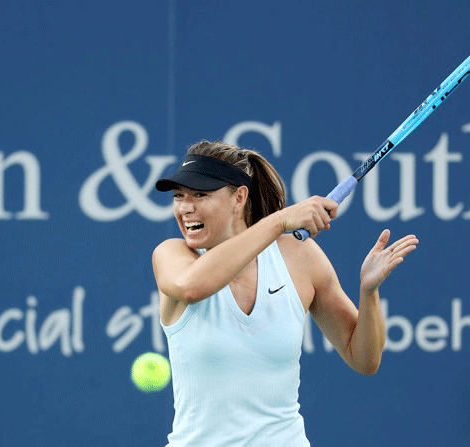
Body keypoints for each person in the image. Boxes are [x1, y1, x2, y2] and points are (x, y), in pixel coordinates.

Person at [152, 140, 418, 447]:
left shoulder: (297, 256)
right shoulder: (172, 255)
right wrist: (278, 222)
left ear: (239, 197)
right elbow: (191, 287)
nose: (186, 207)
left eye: (200, 194)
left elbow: (364, 359)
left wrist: (368, 292)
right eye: (178, 196)